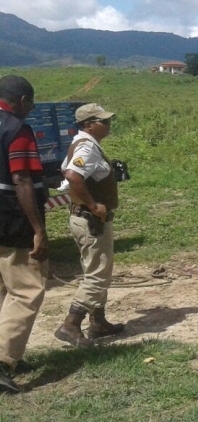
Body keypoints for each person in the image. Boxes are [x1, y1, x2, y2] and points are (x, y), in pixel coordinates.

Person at [54, 103, 126, 347]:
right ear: (88, 125)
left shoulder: (81, 144)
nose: (108, 124)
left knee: (95, 269)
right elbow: (73, 176)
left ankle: (98, 321)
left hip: (84, 218)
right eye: (103, 121)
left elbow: (67, 171)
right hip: (91, 220)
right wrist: (94, 205)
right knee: (98, 274)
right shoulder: (87, 147)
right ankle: (71, 324)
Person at [0, 75, 47, 394]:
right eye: (30, 103)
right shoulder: (18, 129)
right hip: (12, 220)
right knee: (26, 289)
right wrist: (38, 230)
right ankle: (3, 361)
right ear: (23, 101)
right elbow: (21, 180)